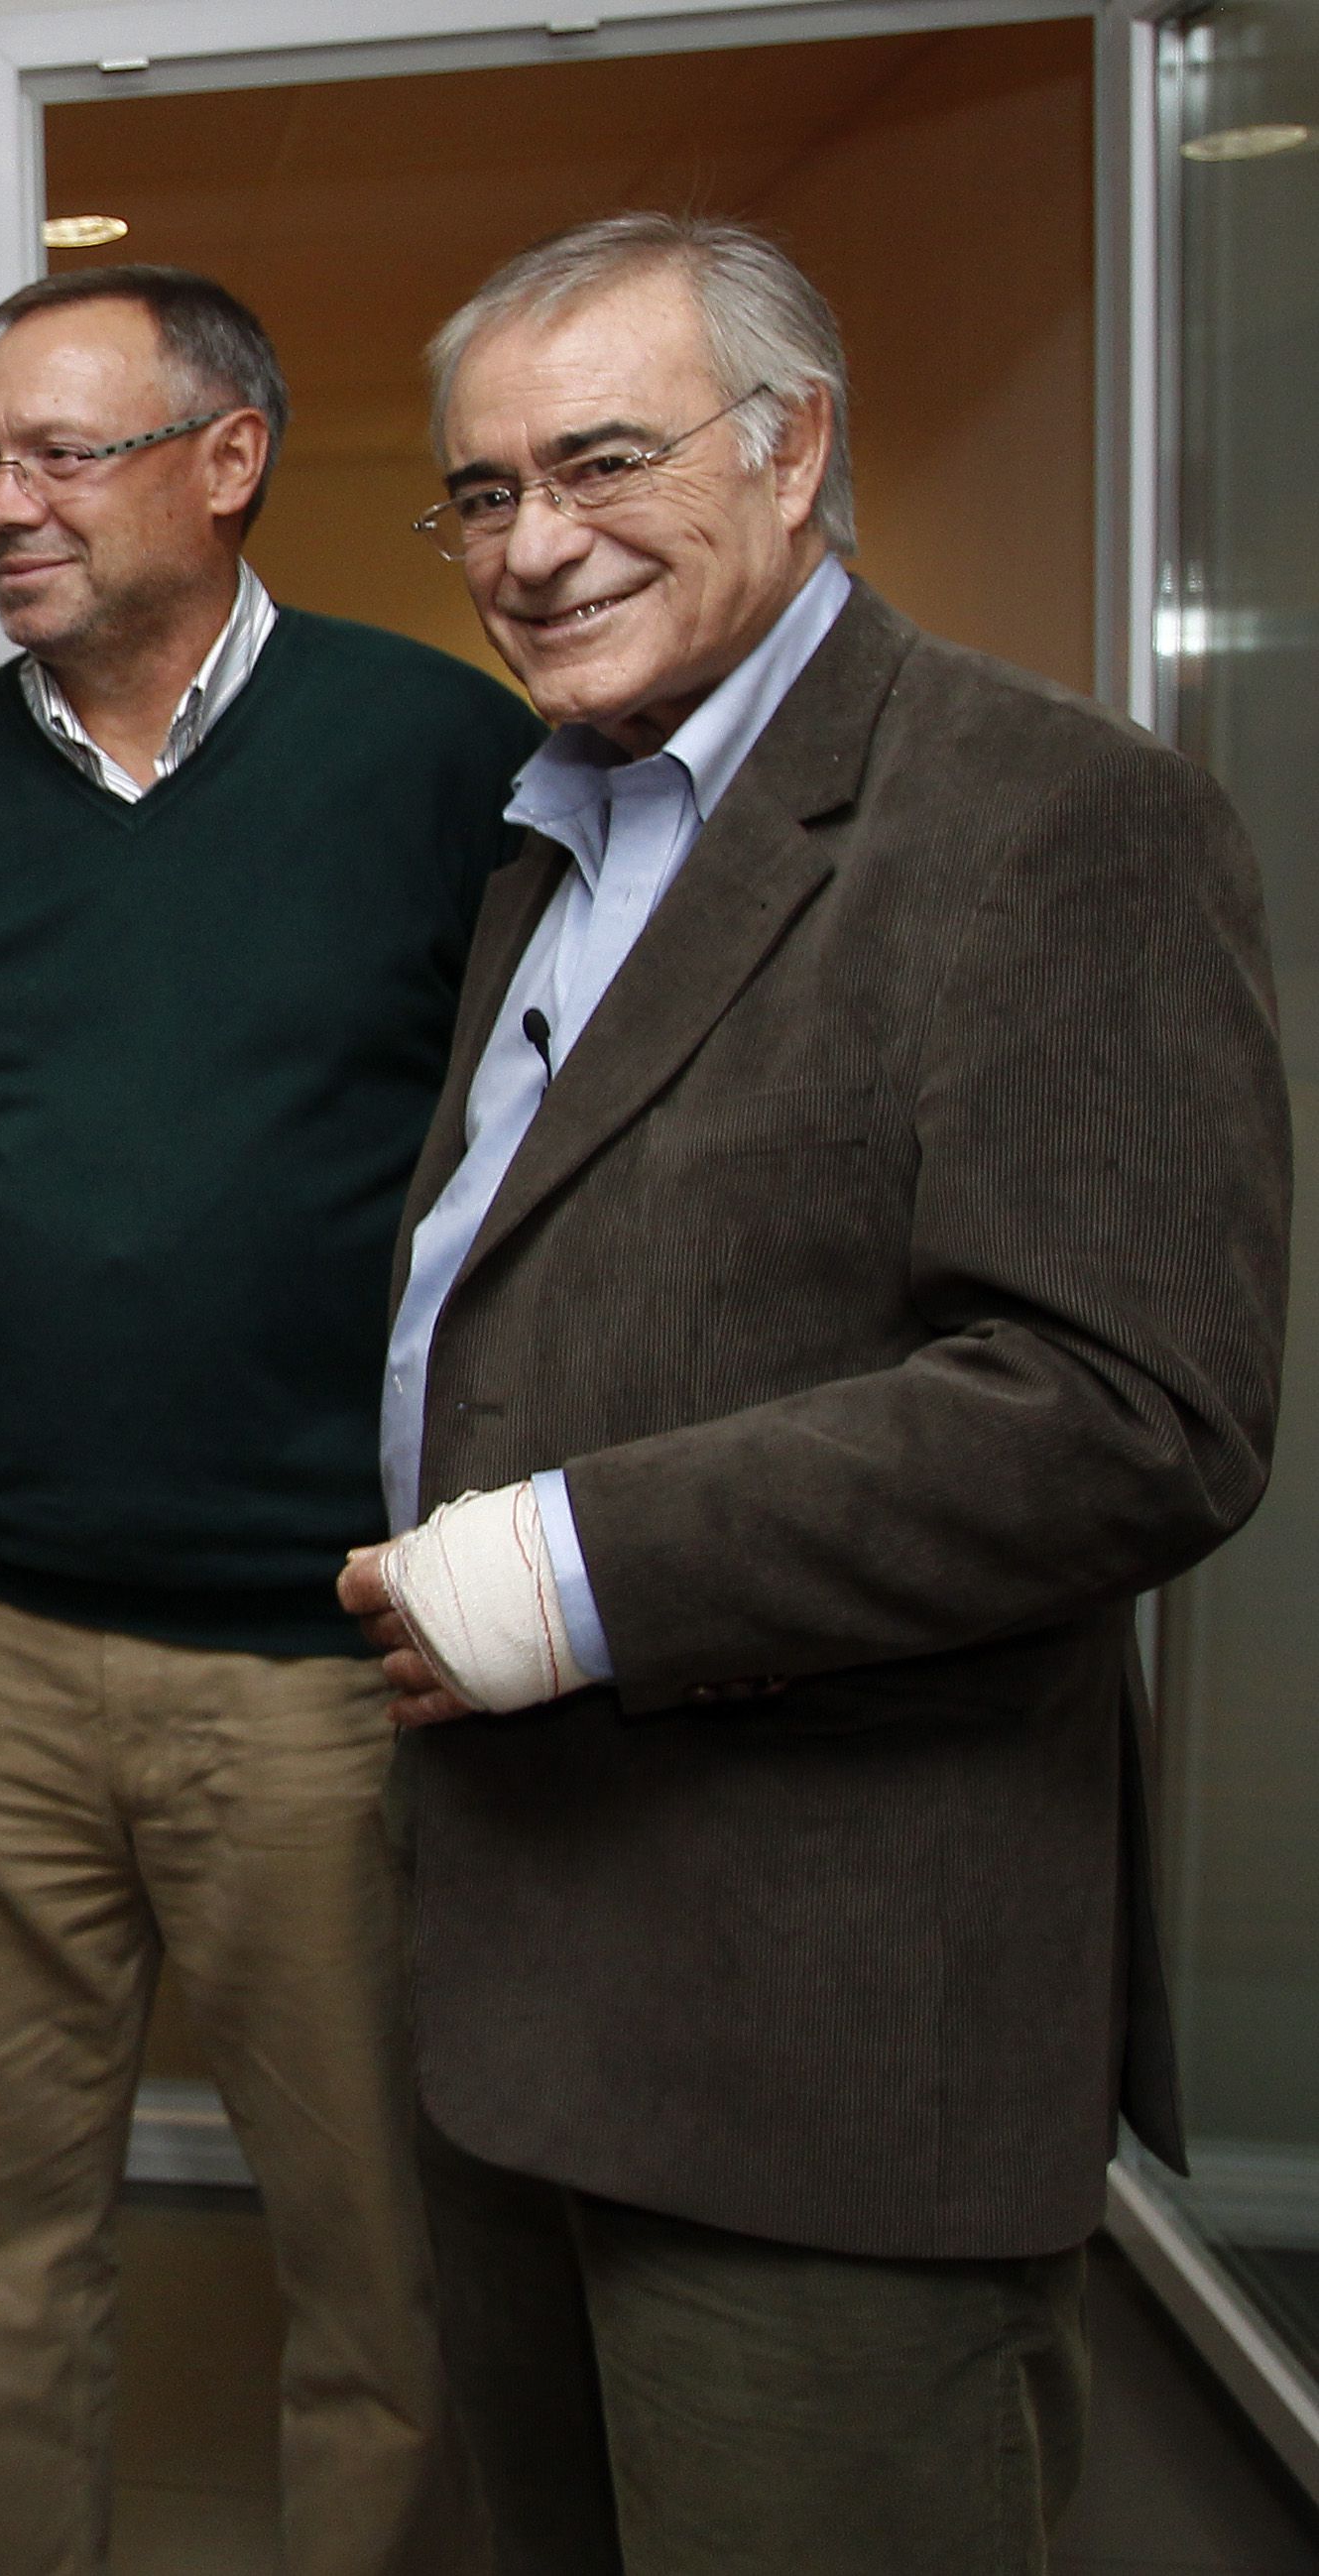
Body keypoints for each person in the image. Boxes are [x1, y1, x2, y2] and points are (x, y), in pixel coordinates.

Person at [337, 213, 1287, 2572]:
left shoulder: (1048, 819)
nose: (534, 545)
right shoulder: (552, 846)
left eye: (601, 461)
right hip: (518, 1989)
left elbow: (1124, 1407)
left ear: (795, 455)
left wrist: (561, 1569)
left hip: (822, 2038)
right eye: (481, 491)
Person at [0, 265, 537, 2576]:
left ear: (226, 460)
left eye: (61, 455)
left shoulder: (444, 758)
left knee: (374, 2240)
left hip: (327, 1652)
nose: (5, 509)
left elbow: (526, 1153)